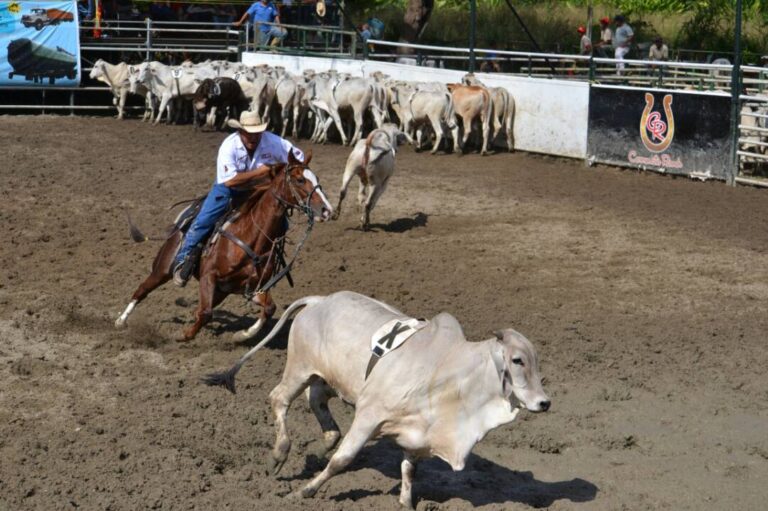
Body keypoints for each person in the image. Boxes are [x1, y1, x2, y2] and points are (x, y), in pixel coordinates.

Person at [172, 110, 305, 287]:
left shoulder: (273, 142)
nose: (253, 138)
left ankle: (269, 259)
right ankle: (183, 260)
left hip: (259, 188)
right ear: (240, 132)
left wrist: (283, 170)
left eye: (256, 133)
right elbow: (230, 181)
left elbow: (299, 158)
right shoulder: (229, 146)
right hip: (229, 190)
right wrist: (263, 171)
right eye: (249, 134)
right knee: (204, 220)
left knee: (281, 223)